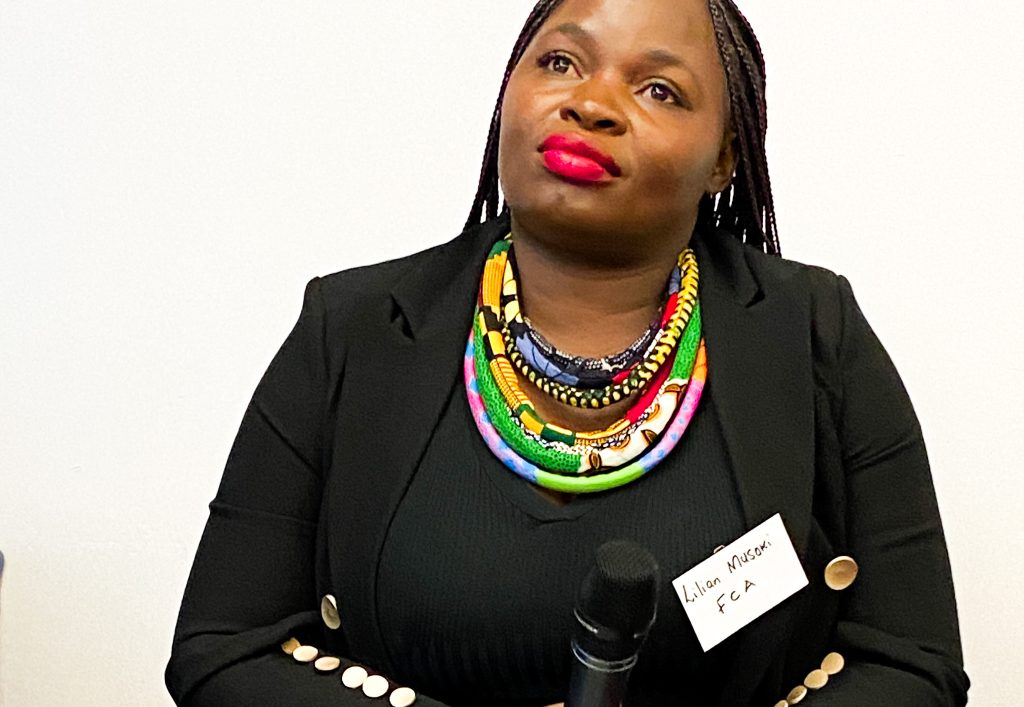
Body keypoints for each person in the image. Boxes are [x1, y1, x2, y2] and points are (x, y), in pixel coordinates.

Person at [165, 0, 969, 704]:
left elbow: (914, 662)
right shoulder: (352, 328)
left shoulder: (814, 332)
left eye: (658, 89)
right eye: (560, 61)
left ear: (725, 155)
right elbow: (222, 650)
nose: (592, 103)